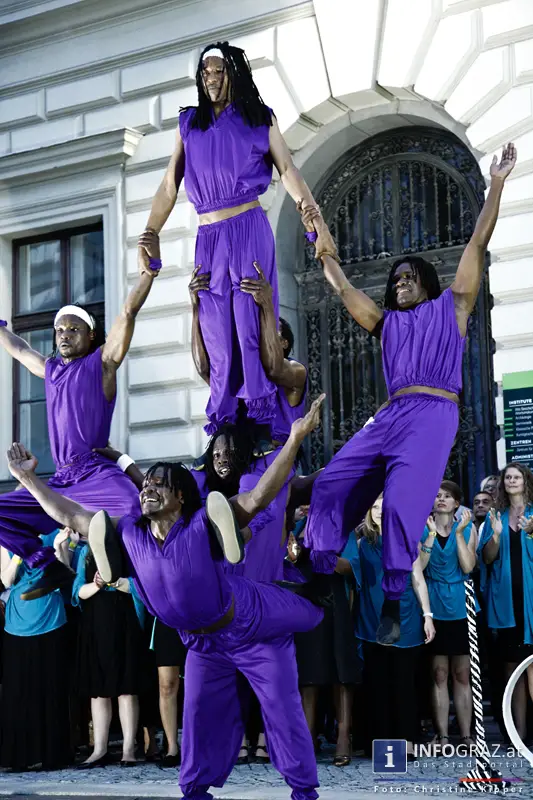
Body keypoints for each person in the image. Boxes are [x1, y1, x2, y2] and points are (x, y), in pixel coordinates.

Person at [6, 396, 325, 800]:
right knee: (198, 717)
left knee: (283, 703)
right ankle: (194, 791)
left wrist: (295, 438)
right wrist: (30, 479)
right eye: (148, 483)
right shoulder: (128, 531)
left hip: (249, 622)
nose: (149, 487)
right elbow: (70, 516)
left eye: (160, 483)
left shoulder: (198, 524)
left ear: (181, 498)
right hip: (203, 643)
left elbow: (260, 495)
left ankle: (303, 791)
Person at [298, 142, 517, 645]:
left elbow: (477, 244)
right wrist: (318, 236)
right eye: (395, 279)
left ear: (426, 282)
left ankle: (395, 594)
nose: (399, 284)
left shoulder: (453, 307)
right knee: (332, 481)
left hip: (435, 411)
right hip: (393, 412)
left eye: (407, 277)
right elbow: (340, 287)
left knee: (400, 502)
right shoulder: (386, 325)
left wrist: (497, 182)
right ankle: (318, 566)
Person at [143, 40, 324, 441]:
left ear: (235, 74)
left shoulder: (259, 118)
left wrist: (309, 211)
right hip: (208, 237)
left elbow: (288, 168)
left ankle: (260, 411)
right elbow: (170, 185)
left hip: (247, 228)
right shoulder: (189, 123)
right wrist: (150, 230)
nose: (211, 79)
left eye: (218, 71)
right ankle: (225, 419)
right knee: (215, 332)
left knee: (248, 321)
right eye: (205, 72)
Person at [0, 231, 162, 598]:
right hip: (60, 480)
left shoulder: (101, 364)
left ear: (92, 337)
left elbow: (128, 313)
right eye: (59, 329)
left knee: (131, 513)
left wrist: (147, 275)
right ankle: (45, 563)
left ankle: (137, 583)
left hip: (96, 472)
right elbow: (19, 347)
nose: (64, 334)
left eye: (75, 329)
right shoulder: (51, 369)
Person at [347, 496, 435, 760]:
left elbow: (418, 580)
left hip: (405, 617)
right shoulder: (363, 544)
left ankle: (407, 742)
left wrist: (428, 615)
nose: (378, 512)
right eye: (374, 508)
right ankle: (384, 745)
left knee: (404, 684)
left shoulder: (406, 541)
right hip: (372, 620)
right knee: (378, 685)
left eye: (383, 508)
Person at [288, 517, 360, 767]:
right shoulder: (298, 526)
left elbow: (350, 567)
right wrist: (296, 551)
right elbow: (289, 561)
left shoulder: (342, 528)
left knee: (341, 671)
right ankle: (306, 739)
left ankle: (343, 736)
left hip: (336, 600)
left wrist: (321, 552)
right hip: (306, 601)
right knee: (308, 671)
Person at [0, 531, 71, 771]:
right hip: (17, 625)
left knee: (51, 689)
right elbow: (7, 580)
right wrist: (19, 555)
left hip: (51, 621)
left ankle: (54, 754)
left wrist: (60, 547)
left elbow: (66, 575)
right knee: (18, 691)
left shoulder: (54, 535)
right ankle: (19, 756)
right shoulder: (6, 541)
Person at [72, 544, 147, 768]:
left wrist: (116, 582)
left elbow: (142, 585)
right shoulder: (87, 552)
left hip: (124, 620)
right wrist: (96, 584)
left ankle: (128, 749)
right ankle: (99, 749)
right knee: (98, 690)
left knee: (126, 687)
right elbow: (77, 591)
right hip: (95, 622)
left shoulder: (129, 545)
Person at [419, 482, 477, 748]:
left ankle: (466, 735)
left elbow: (467, 566)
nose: (441, 499)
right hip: (434, 604)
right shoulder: (421, 528)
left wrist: (462, 534)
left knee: (462, 674)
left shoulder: (467, 527)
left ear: (457, 503)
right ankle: (442, 735)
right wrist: (430, 537)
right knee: (439, 673)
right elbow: (419, 568)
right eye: (437, 495)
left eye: (447, 496)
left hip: (461, 606)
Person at [479, 462, 533, 741]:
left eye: (517, 477)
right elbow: (487, 558)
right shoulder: (494, 517)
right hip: (507, 603)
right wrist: (497, 536)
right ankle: (519, 734)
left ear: (526, 481)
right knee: (513, 672)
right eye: (508, 477)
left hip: (531, 602)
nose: (512, 481)